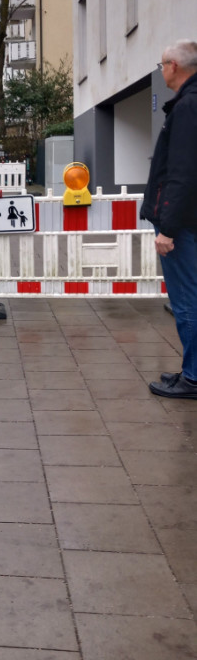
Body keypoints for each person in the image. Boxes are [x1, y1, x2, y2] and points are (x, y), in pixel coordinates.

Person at [141, 39, 197, 399]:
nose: (161, 70)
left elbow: (182, 174)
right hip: (190, 220)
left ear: (173, 66)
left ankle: (193, 378)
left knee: (187, 301)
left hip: (183, 224)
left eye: (162, 64)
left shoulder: (187, 107)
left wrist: (168, 229)